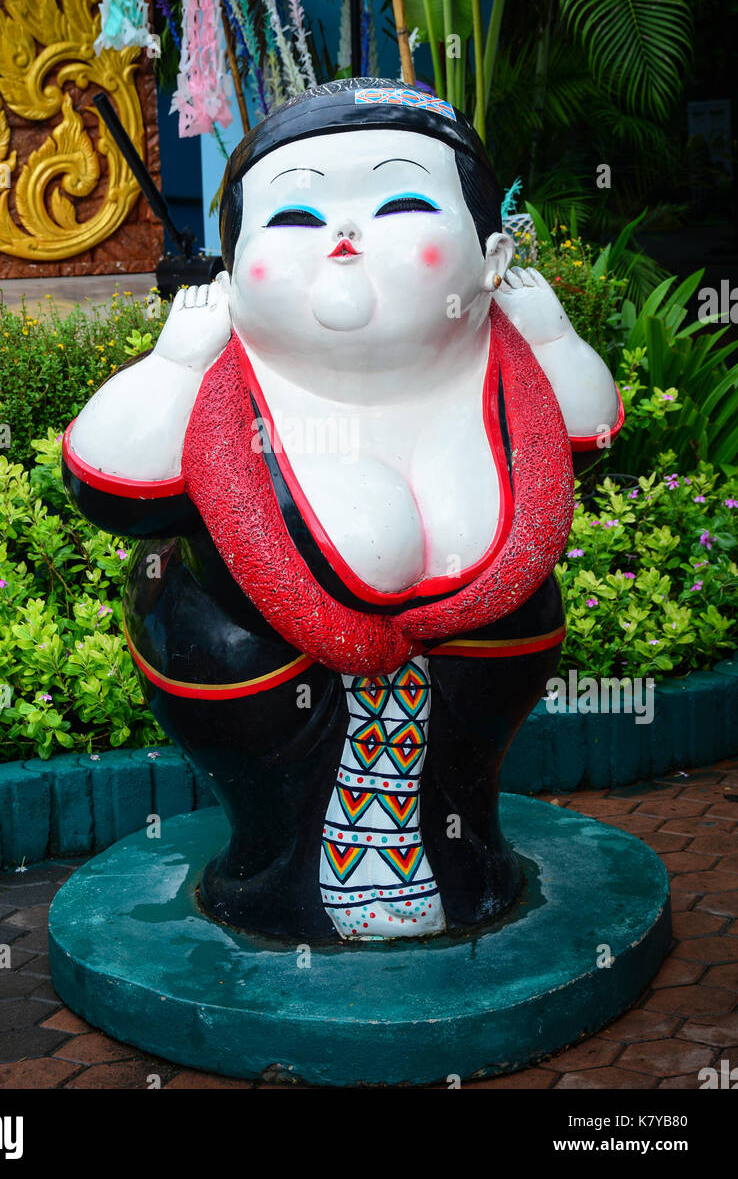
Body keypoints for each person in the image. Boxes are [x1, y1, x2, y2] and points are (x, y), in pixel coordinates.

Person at [63, 77, 623, 943]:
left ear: (492, 256)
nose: (343, 237)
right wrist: (177, 363)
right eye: (292, 220)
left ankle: (462, 846)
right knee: (219, 643)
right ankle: (274, 862)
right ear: (235, 268)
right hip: (255, 663)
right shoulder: (223, 372)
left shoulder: (500, 360)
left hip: (479, 650)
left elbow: (588, 430)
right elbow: (110, 484)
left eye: (400, 202)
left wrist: (549, 337)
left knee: (488, 692)